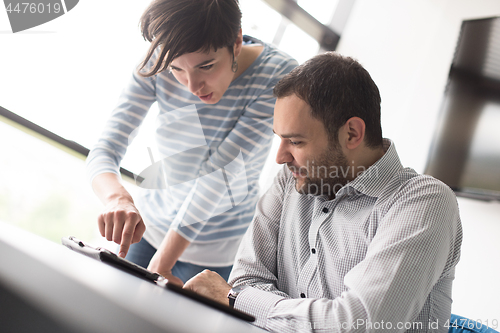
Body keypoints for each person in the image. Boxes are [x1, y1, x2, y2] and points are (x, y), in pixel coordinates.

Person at [183, 52, 463, 332]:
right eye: (279, 139)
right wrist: (316, 318)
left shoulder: (423, 202)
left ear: (352, 133)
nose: (280, 157)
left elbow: (359, 325)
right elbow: (246, 280)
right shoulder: (289, 181)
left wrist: (238, 300)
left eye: (295, 141)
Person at [85, 0, 297, 286]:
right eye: (177, 70)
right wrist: (117, 198)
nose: (192, 85)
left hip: (218, 251)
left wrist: (165, 260)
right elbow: (106, 147)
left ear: (236, 40)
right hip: (150, 226)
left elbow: (219, 178)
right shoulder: (159, 58)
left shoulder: (276, 74)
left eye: (206, 66)